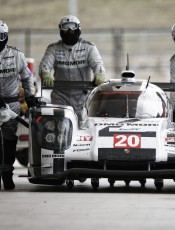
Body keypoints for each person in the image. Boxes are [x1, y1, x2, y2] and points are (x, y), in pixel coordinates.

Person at [39, 15, 106, 122]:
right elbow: (45, 65)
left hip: (83, 98)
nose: (69, 31)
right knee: (59, 126)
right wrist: (45, 74)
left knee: (84, 127)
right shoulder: (53, 49)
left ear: (78, 29)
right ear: (61, 30)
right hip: (60, 98)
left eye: (72, 28)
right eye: (66, 28)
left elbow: (98, 64)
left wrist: (99, 74)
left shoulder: (89, 47)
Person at [0, 20, 35, 190]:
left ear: (6, 37)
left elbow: (27, 77)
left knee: (10, 140)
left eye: (1, 36)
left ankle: (7, 173)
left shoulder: (16, 55)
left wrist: (30, 97)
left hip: (11, 104)